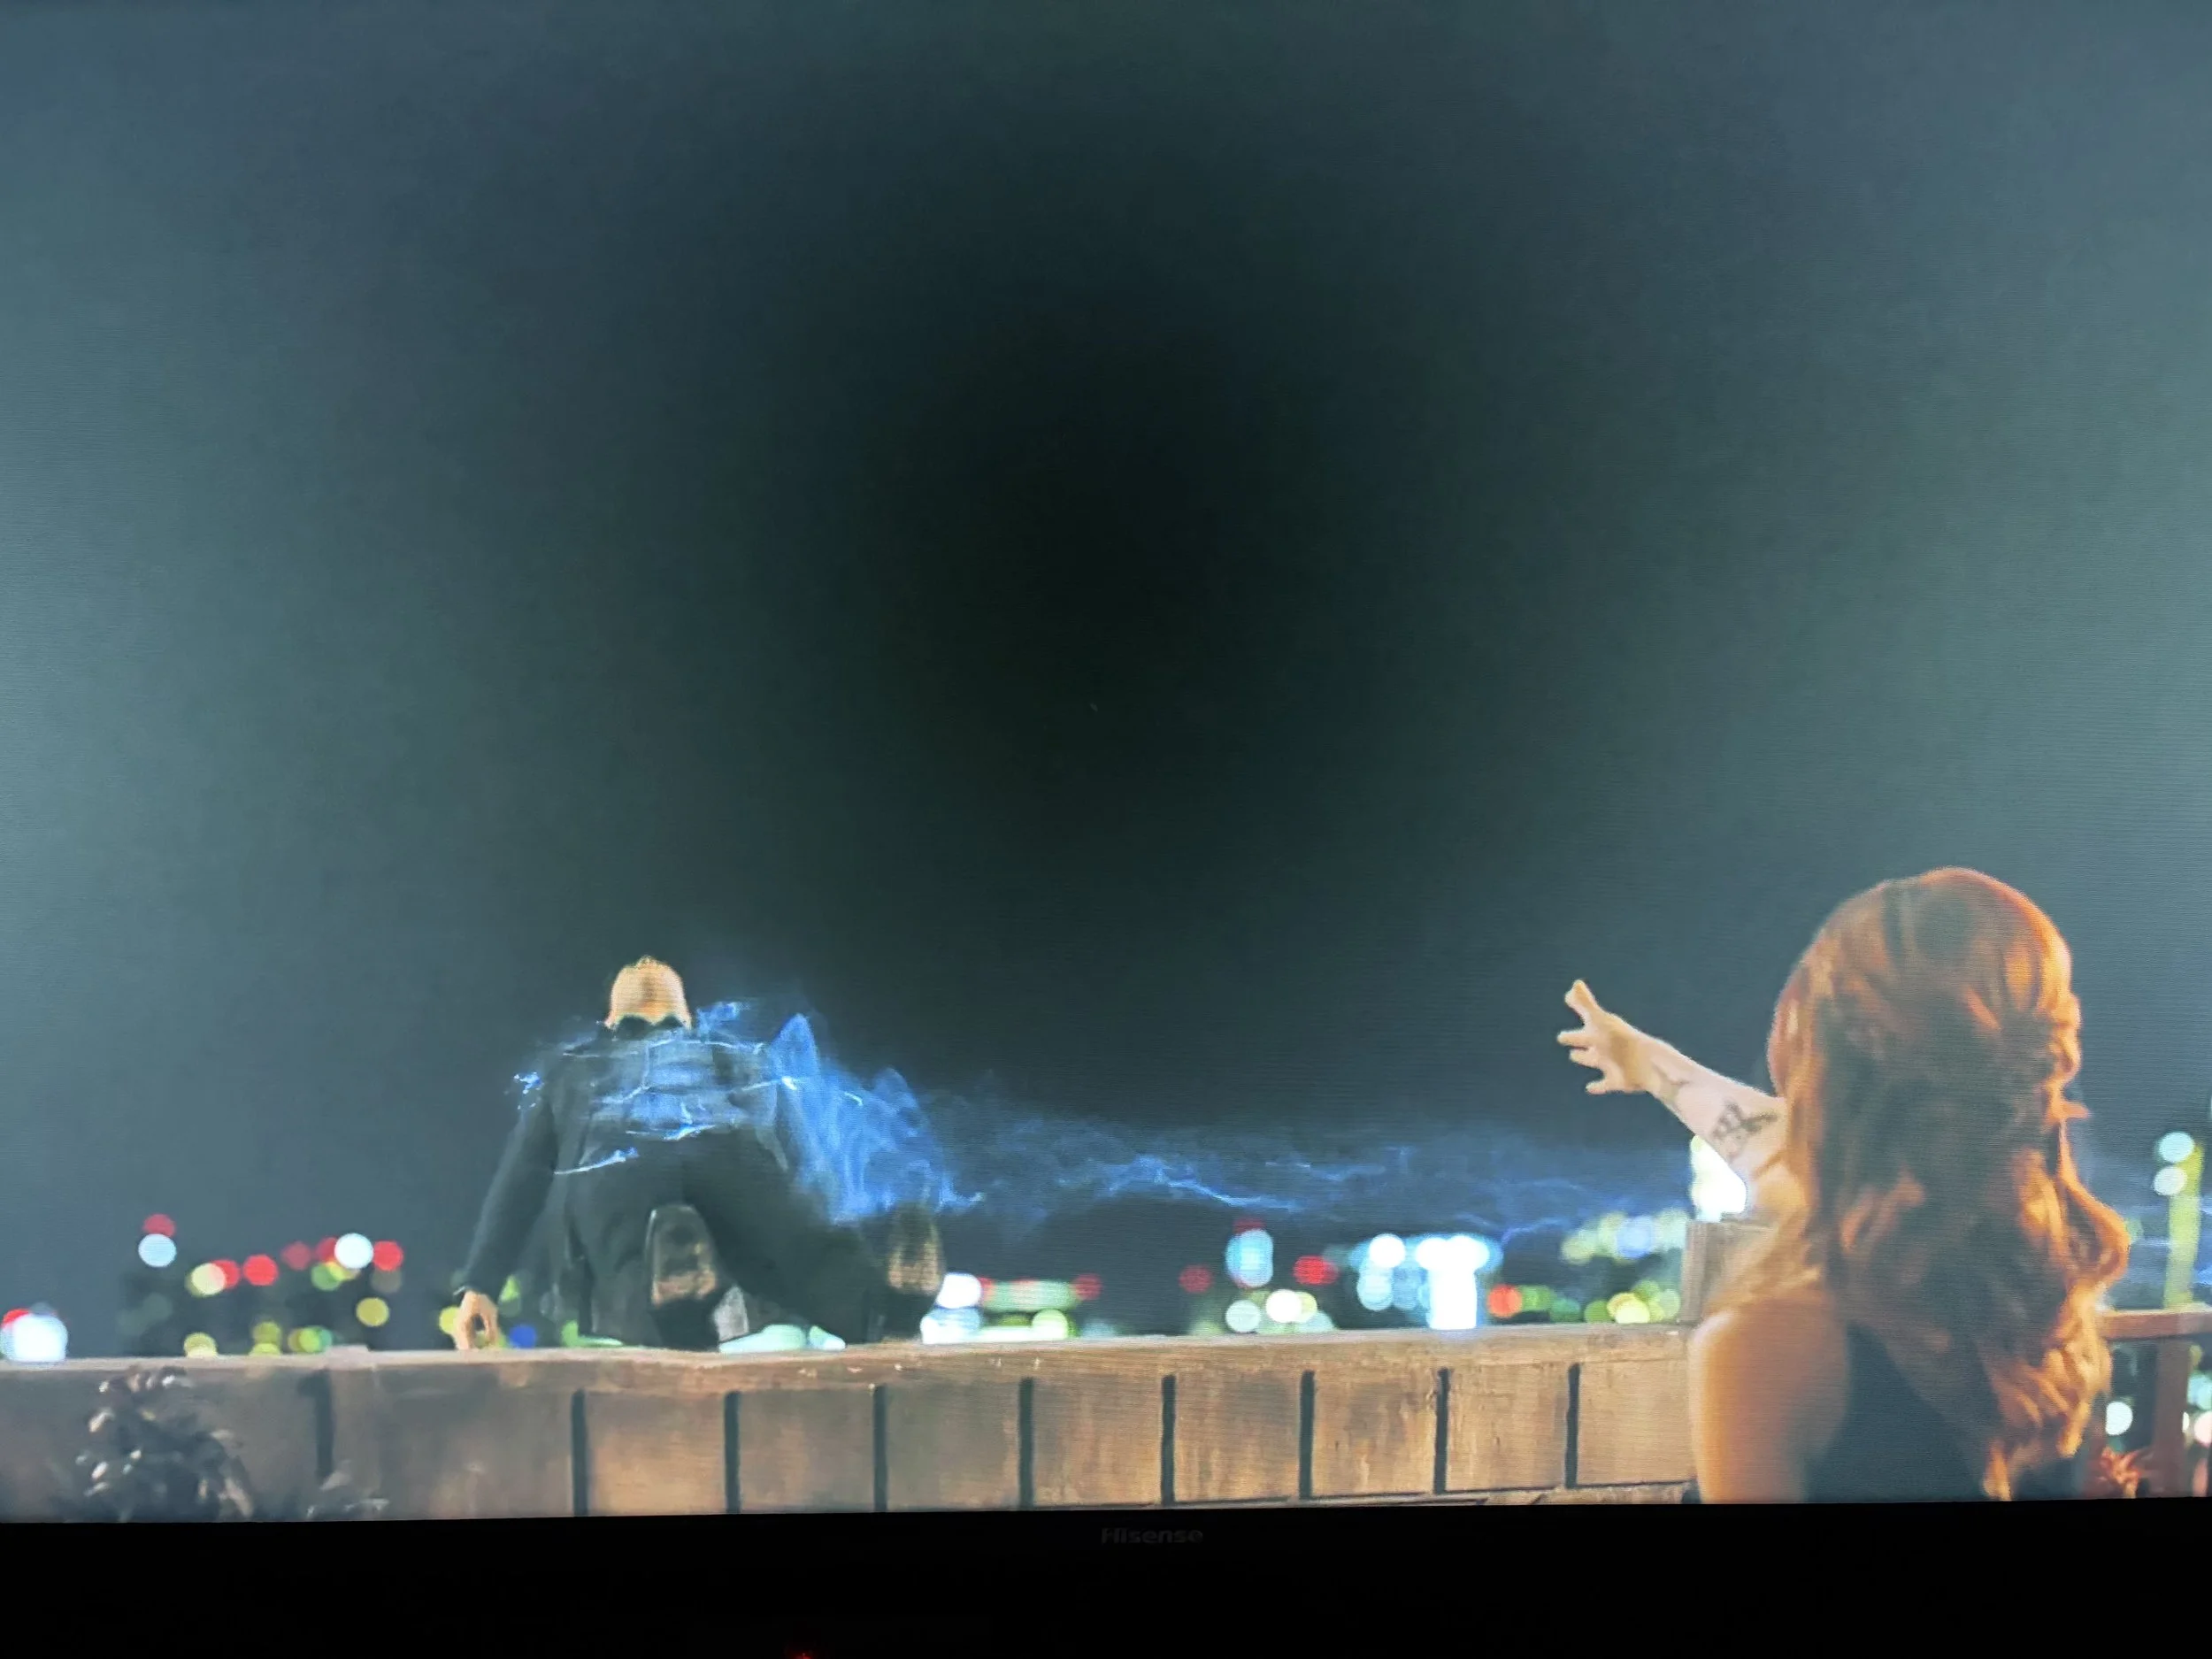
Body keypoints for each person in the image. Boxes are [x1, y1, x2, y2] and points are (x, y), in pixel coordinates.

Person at [1561, 869, 2135, 1501]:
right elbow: (1771, 1146)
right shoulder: (2045, 1294)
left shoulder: (1773, 1343)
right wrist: (1648, 1062)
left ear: (1820, 1051)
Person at [452, 957, 944, 1352]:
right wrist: (831, 1236)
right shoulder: (728, 1055)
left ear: (611, 1021)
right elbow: (800, 1160)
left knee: (632, 1262)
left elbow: (522, 1177)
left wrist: (481, 1283)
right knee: (797, 1248)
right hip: (725, 1157)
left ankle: (676, 1307)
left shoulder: (574, 1068)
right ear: (687, 1018)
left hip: (620, 1168)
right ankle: (881, 1309)